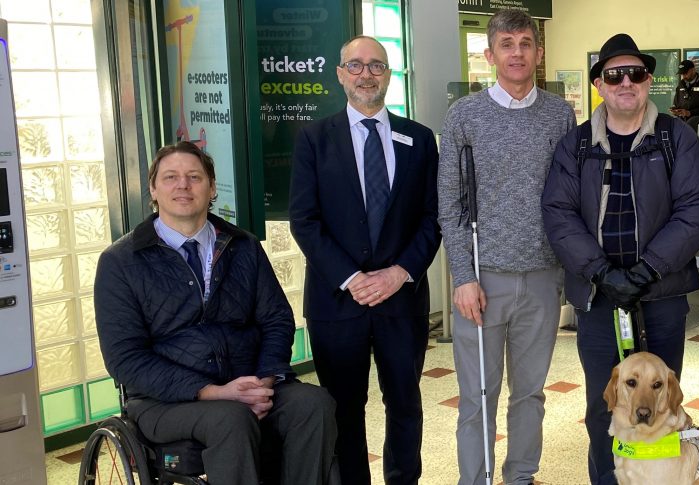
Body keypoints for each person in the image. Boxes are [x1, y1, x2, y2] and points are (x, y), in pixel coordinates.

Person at [96, 141, 337, 485]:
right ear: (153, 188)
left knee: (314, 404)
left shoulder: (243, 247)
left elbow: (277, 320)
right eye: (170, 177)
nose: (183, 185)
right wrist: (213, 392)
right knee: (231, 418)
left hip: (248, 381)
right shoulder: (121, 261)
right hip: (165, 401)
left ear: (211, 188)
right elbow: (125, 357)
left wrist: (263, 382)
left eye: (194, 177)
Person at [541, 33, 699, 485]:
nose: (625, 82)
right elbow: (558, 213)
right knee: (606, 407)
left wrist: (648, 268)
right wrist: (600, 272)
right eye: (614, 74)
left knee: (658, 405)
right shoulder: (576, 144)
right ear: (599, 83)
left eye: (635, 73)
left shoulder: (677, 139)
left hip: (661, 294)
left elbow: (697, 207)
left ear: (647, 81)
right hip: (598, 299)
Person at [289, 35, 441, 485]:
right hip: (337, 303)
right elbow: (304, 219)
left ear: (389, 75)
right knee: (343, 410)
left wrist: (399, 273)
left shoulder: (418, 139)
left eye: (376, 65)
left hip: (402, 300)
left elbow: (433, 219)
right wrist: (352, 277)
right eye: (355, 65)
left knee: (405, 405)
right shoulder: (313, 139)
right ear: (340, 75)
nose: (366, 73)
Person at [437, 9, 577, 485]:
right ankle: (474, 479)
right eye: (507, 43)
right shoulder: (464, 116)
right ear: (490, 52)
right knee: (478, 393)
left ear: (538, 52)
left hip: (541, 278)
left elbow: (570, 196)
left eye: (525, 43)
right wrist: (463, 276)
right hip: (482, 279)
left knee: (530, 393)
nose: (517, 52)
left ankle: (520, 475)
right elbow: (450, 202)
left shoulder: (560, 114)